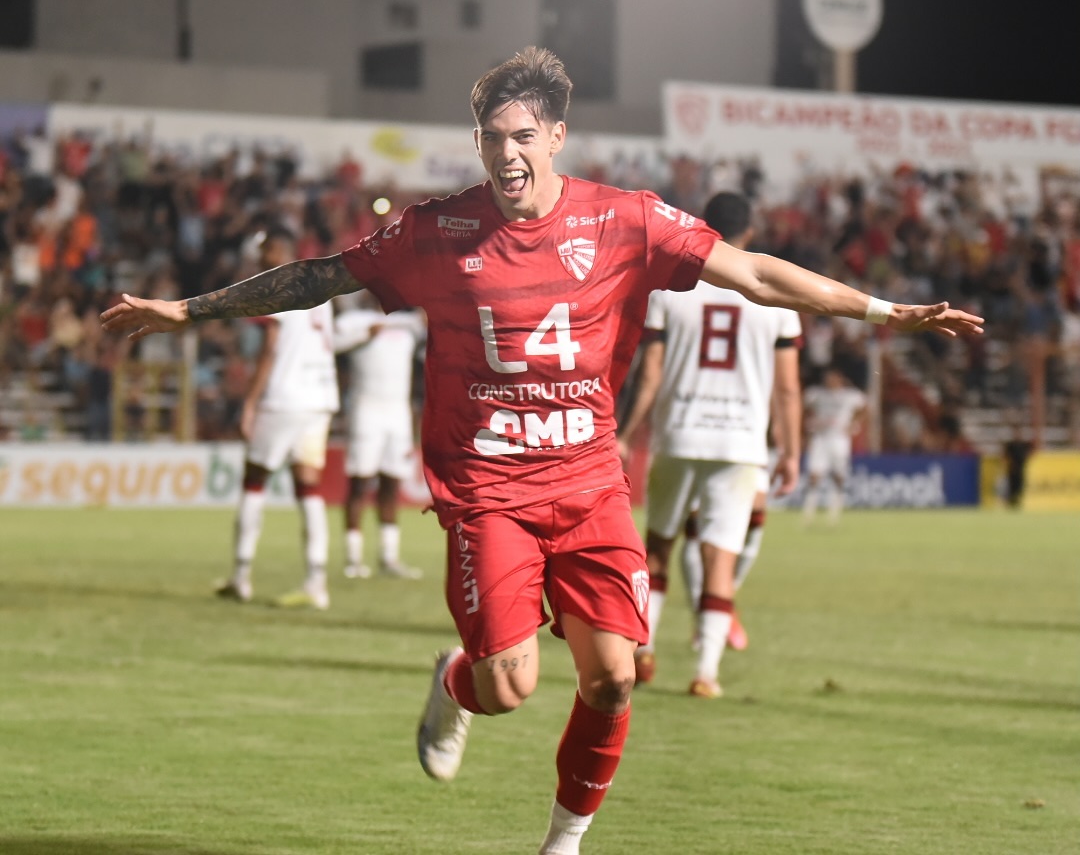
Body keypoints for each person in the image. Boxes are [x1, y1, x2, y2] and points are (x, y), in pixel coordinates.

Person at [102, 47, 983, 855]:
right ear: (478, 145)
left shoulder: (625, 221)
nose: (508, 154)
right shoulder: (435, 231)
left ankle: (561, 848)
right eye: (492, 139)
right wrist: (188, 310)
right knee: (511, 684)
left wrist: (883, 312)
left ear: (558, 137)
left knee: (611, 679)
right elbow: (316, 277)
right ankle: (454, 686)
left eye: (524, 136)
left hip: (592, 483)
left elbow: (754, 274)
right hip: (488, 488)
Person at [617, 192, 802, 697]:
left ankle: (643, 649)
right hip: (740, 442)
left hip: (679, 433)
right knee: (720, 559)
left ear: (703, 225)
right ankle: (706, 673)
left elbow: (649, 375)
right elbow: (787, 388)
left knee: (657, 551)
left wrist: (626, 433)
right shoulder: (777, 295)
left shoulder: (672, 286)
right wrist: (791, 449)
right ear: (750, 230)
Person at [215, 225, 340, 610]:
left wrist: (250, 402)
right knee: (309, 488)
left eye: (264, 251)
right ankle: (316, 582)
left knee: (255, 482)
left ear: (279, 250)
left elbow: (270, 351)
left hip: (285, 398)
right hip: (319, 398)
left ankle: (241, 575)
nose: (259, 259)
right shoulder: (319, 288)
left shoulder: (280, 287)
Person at [333, 298, 425, 579]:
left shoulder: (410, 323)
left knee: (391, 482)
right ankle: (353, 558)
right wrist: (363, 336)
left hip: (398, 410)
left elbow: (436, 331)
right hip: (366, 407)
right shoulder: (352, 320)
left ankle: (389, 557)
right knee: (359, 483)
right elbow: (332, 345)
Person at [801, 366, 867, 525]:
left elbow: (865, 408)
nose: (829, 381)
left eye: (832, 377)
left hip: (839, 440)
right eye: (827, 378)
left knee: (838, 476)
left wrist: (854, 424)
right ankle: (808, 513)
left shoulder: (850, 395)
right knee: (814, 476)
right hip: (820, 439)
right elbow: (803, 407)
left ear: (840, 379)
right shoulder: (816, 394)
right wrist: (809, 423)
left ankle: (834, 513)